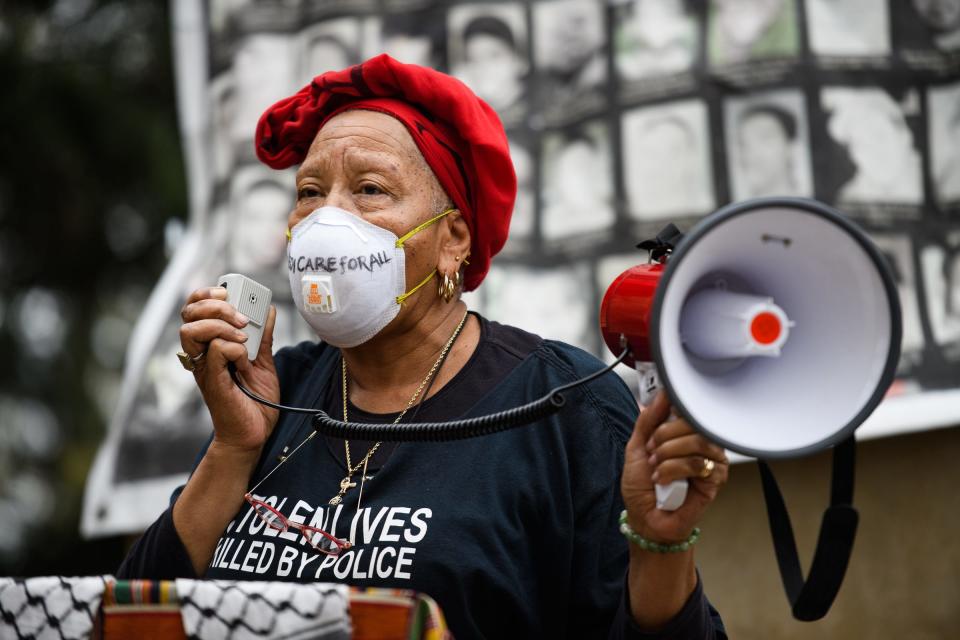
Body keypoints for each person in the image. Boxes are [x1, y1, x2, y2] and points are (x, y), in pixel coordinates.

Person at [118, 54, 728, 638]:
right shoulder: (280, 390)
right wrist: (234, 446)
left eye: (370, 190)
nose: (326, 219)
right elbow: (130, 619)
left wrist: (662, 546)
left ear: (453, 239)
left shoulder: (566, 406)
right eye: (308, 192)